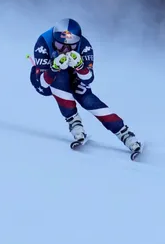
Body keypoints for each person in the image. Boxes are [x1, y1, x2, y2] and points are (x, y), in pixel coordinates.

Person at [29, 18, 142, 154]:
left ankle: (124, 132)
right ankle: (74, 122)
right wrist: (53, 68)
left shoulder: (85, 46)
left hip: (74, 74)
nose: (65, 50)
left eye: (70, 47)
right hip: (46, 78)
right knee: (56, 81)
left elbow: (89, 79)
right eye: (59, 46)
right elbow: (42, 84)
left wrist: (80, 66)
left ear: (77, 43)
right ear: (53, 40)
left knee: (86, 97)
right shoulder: (43, 44)